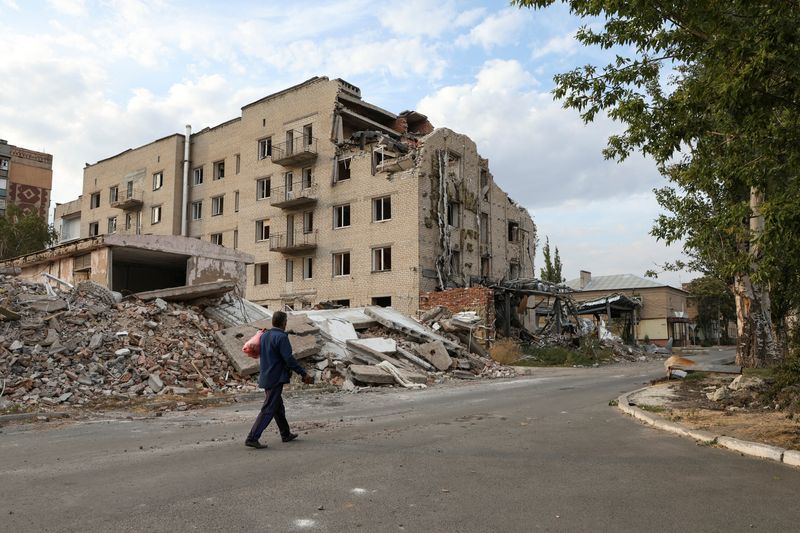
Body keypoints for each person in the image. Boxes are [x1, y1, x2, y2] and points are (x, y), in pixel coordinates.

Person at [245, 311, 313, 449]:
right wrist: (303, 373)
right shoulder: (281, 337)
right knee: (269, 408)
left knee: (277, 407)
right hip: (276, 377)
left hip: (266, 375)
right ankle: (252, 437)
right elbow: (288, 359)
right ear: (284, 322)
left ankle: (285, 434)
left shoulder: (264, 336)